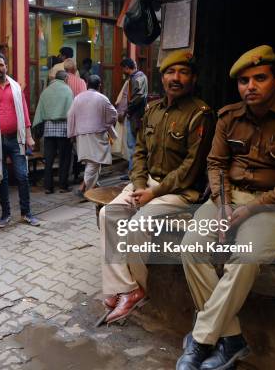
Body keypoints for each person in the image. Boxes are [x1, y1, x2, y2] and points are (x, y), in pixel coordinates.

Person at [177, 45, 275, 370]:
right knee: (191, 248)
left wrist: (251, 209)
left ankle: (201, 340)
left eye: (260, 78)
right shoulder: (228, 117)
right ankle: (232, 339)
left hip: (273, 206)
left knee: (246, 257)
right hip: (226, 198)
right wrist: (225, 204)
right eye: (244, 81)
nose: (251, 86)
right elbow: (215, 164)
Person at [98, 50, 214, 324]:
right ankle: (127, 287)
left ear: (193, 78)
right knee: (107, 215)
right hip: (146, 184)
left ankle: (137, 289)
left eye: (183, 73)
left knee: (137, 225)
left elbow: (191, 167)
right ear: (161, 78)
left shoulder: (201, 115)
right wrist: (139, 185)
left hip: (179, 192)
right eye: (170, 73)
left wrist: (153, 193)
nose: (176, 78)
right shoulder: (152, 110)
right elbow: (139, 152)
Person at [0, 53, 41, 228]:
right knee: (1, 177)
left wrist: (29, 136)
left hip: (16, 139)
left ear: (6, 66)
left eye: (1, 65)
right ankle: (5, 215)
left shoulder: (15, 87)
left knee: (22, 176)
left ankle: (26, 213)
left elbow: (24, 111)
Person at [67, 75, 117, 196]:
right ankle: (83, 188)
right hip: (97, 134)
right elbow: (113, 115)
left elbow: (70, 115)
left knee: (92, 161)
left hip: (81, 134)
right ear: (99, 85)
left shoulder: (78, 98)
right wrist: (105, 122)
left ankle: (91, 185)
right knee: (95, 161)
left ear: (87, 84)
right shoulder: (102, 98)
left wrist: (72, 133)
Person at [32, 71, 74, 194]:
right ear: (66, 79)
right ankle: (62, 186)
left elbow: (40, 110)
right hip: (63, 129)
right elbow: (72, 111)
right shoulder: (68, 90)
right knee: (64, 158)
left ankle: (48, 187)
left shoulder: (46, 91)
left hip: (49, 130)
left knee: (49, 159)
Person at [120, 58, 148, 180]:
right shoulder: (137, 77)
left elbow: (139, 96)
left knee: (133, 145)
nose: (123, 71)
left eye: (123, 68)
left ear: (127, 67)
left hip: (136, 116)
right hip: (135, 115)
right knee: (134, 145)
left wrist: (128, 110)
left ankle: (133, 172)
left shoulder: (137, 78)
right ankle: (133, 171)